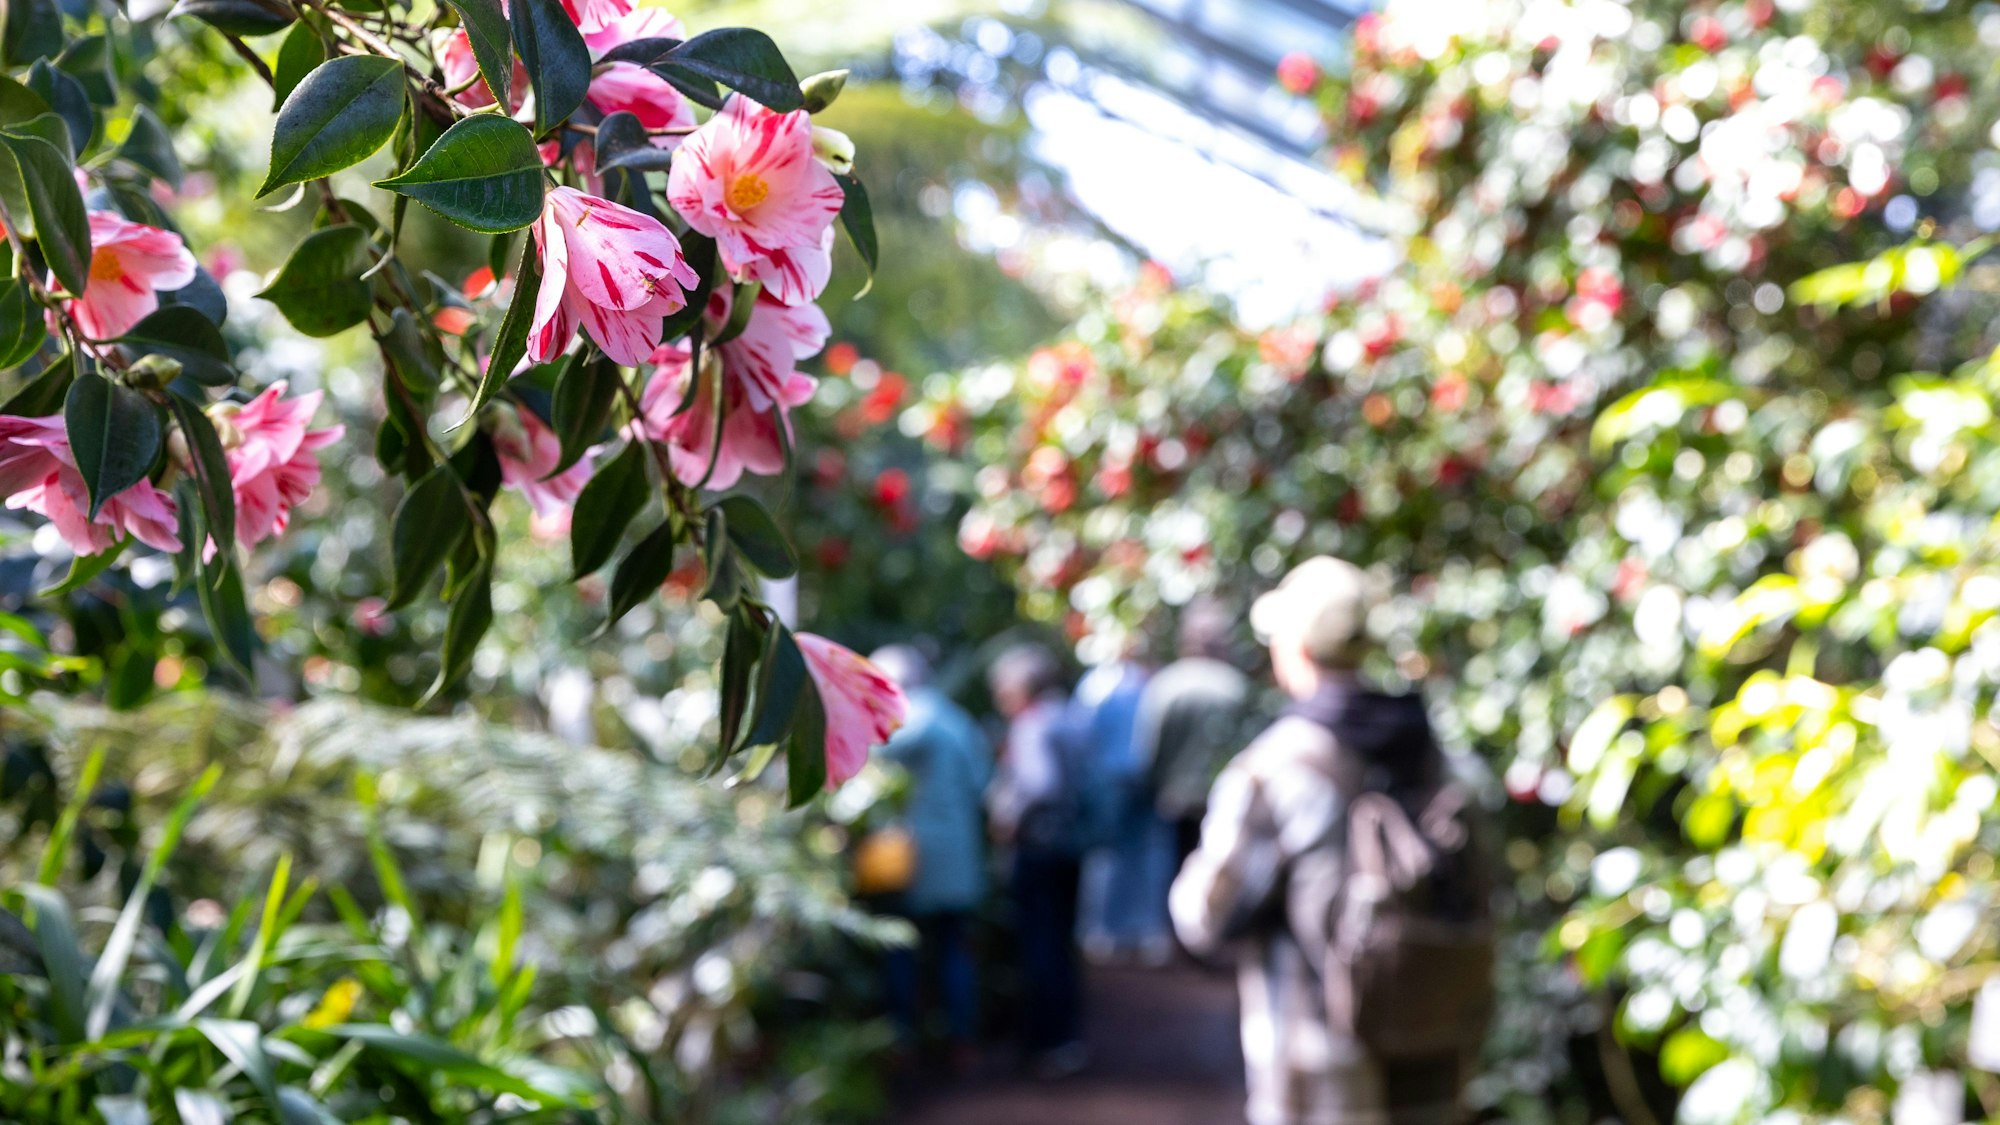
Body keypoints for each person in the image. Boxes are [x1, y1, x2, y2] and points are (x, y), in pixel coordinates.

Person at [1170, 557, 1490, 1125]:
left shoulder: (1275, 768)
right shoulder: (1438, 753)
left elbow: (1202, 917)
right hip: (1429, 1049)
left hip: (1316, 1069)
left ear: (1294, 648)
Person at [871, 645, 992, 1073]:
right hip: (959, 858)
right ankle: (961, 1041)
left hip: (909, 859)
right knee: (955, 949)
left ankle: (903, 1041)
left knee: (901, 949)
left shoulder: (904, 721)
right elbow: (982, 784)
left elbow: (865, 771)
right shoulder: (958, 721)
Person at [985, 643, 1088, 1078]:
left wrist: (1008, 815)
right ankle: (1065, 1037)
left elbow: (1040, 784)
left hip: (1039, 849)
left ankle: (1045, 1040)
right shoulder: (1068, 716)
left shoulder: (1033, 725)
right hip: (1069, 845)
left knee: (1040, 944)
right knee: (1061, 943)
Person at [1071, 647, 1173, 964]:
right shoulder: (1150, 684)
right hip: (1137, 779)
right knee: (1142, 854)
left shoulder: (1100, 684)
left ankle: (1103, 931)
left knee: (1112, 853)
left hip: (1112, 780)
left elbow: (1080, 735)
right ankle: (1140, 932)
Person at [1134, 596, 1252, 864]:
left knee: (1176, 872)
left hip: (1175, 803)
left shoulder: (1165, 685)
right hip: (1225, 800)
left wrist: (1156, 786)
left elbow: (1150, 750)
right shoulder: (1237, 687)